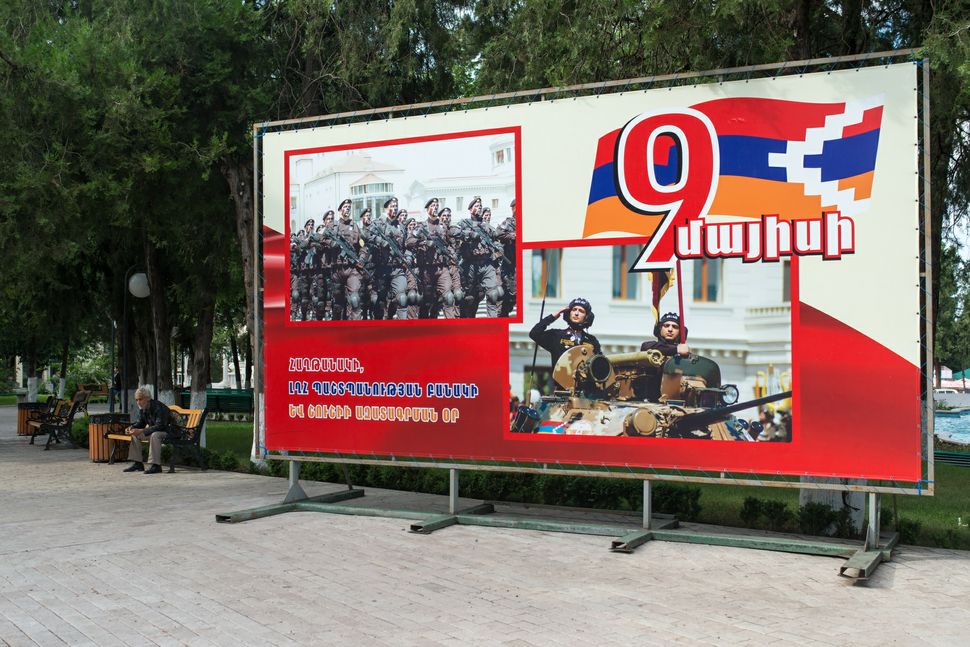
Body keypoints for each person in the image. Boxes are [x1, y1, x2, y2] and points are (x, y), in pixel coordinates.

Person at [529, 297, 601, 366]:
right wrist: (552, 317)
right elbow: (534, 333)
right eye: (574, 309)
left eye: (581, 311)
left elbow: (601, 364)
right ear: (568, 313)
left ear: (586, 317)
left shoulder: (592, 341)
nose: (576, 313)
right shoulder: (557, 336)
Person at [638, 312, 691, 401]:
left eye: (675, 327)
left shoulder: (684, 354)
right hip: (650, 399)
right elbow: (647, 347)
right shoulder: (650, 346)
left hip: (676, 399)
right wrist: (677, 349)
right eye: (666, 326)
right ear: (659, 329)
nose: (670, 329)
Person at [122, 387, 172, 474]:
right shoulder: (143, 409)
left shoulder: (158, 407)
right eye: (136, 400)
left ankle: (156, 466)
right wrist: (132, 428)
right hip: (157, 431)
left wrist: (141, 430)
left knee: (155, 435)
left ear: (147, 398)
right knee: (135, 434)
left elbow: (160, 426)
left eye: (140, 399)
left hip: (169, 432)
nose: (138, 402)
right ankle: (138, 464)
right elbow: (140, 423)